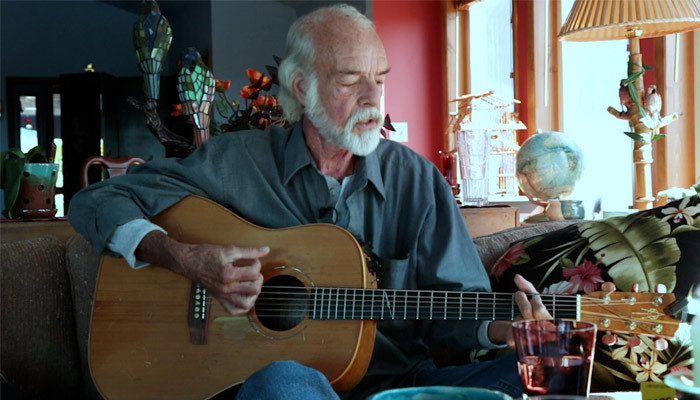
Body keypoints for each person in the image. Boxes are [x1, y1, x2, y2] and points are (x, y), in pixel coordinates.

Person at [69, 4, 552, 399]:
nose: (373, 98)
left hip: (398, 387)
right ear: (303, 87)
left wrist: (502, 329)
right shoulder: (235, 163)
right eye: (349, 80)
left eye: (380, 78)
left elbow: (453, 315)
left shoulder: (416, 180)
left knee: (543, 374)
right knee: (284, 382)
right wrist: (183, 257)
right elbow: (98, 199)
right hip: (280, 386)